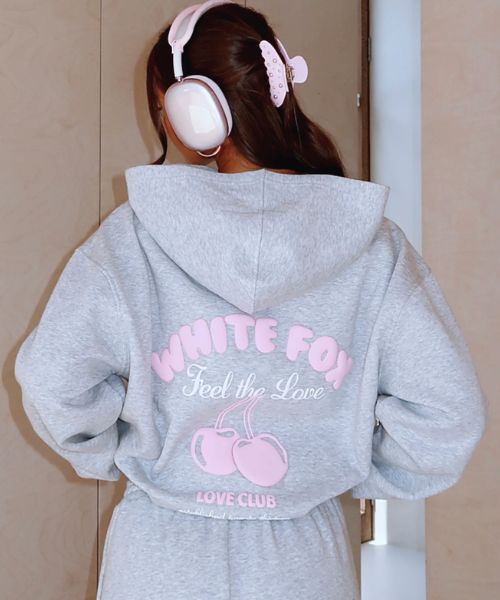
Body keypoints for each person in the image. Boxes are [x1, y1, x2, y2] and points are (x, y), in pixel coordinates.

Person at [14, 1, 488, 599]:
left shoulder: (131, 237)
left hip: (159, 558)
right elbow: (448, 416)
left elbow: (53, 380)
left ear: (187, 111)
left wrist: (125, 456)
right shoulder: (376, 248)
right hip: (305, 563)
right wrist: (338, 467)